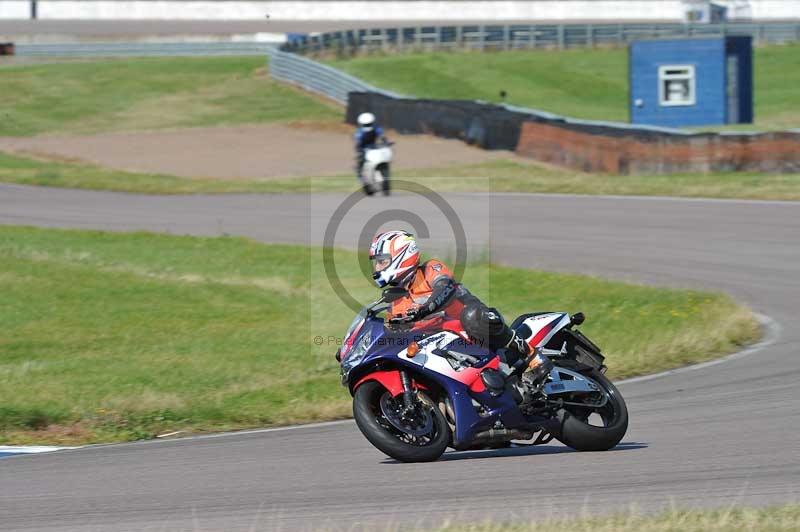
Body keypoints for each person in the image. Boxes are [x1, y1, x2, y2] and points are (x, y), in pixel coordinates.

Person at [369, 230, 553, 385]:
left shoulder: (431, 269)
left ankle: (532, 356)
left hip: (475, 327)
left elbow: (445, 289)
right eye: (376, 262)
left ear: (403, 255)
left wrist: (423, 310)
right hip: (444, 345)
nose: (377, 267)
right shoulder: (396, 302)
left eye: (382, 261)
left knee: (472, 316)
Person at [354, 112, 387, 180]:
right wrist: (385, 142)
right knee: (361, 159)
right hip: (370, 148)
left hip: (370, 148)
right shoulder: (376, 129)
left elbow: (358, 141)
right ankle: (360, 172)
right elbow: (382, 137)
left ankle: (360, 173)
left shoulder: (360, 131)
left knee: (361, 160)